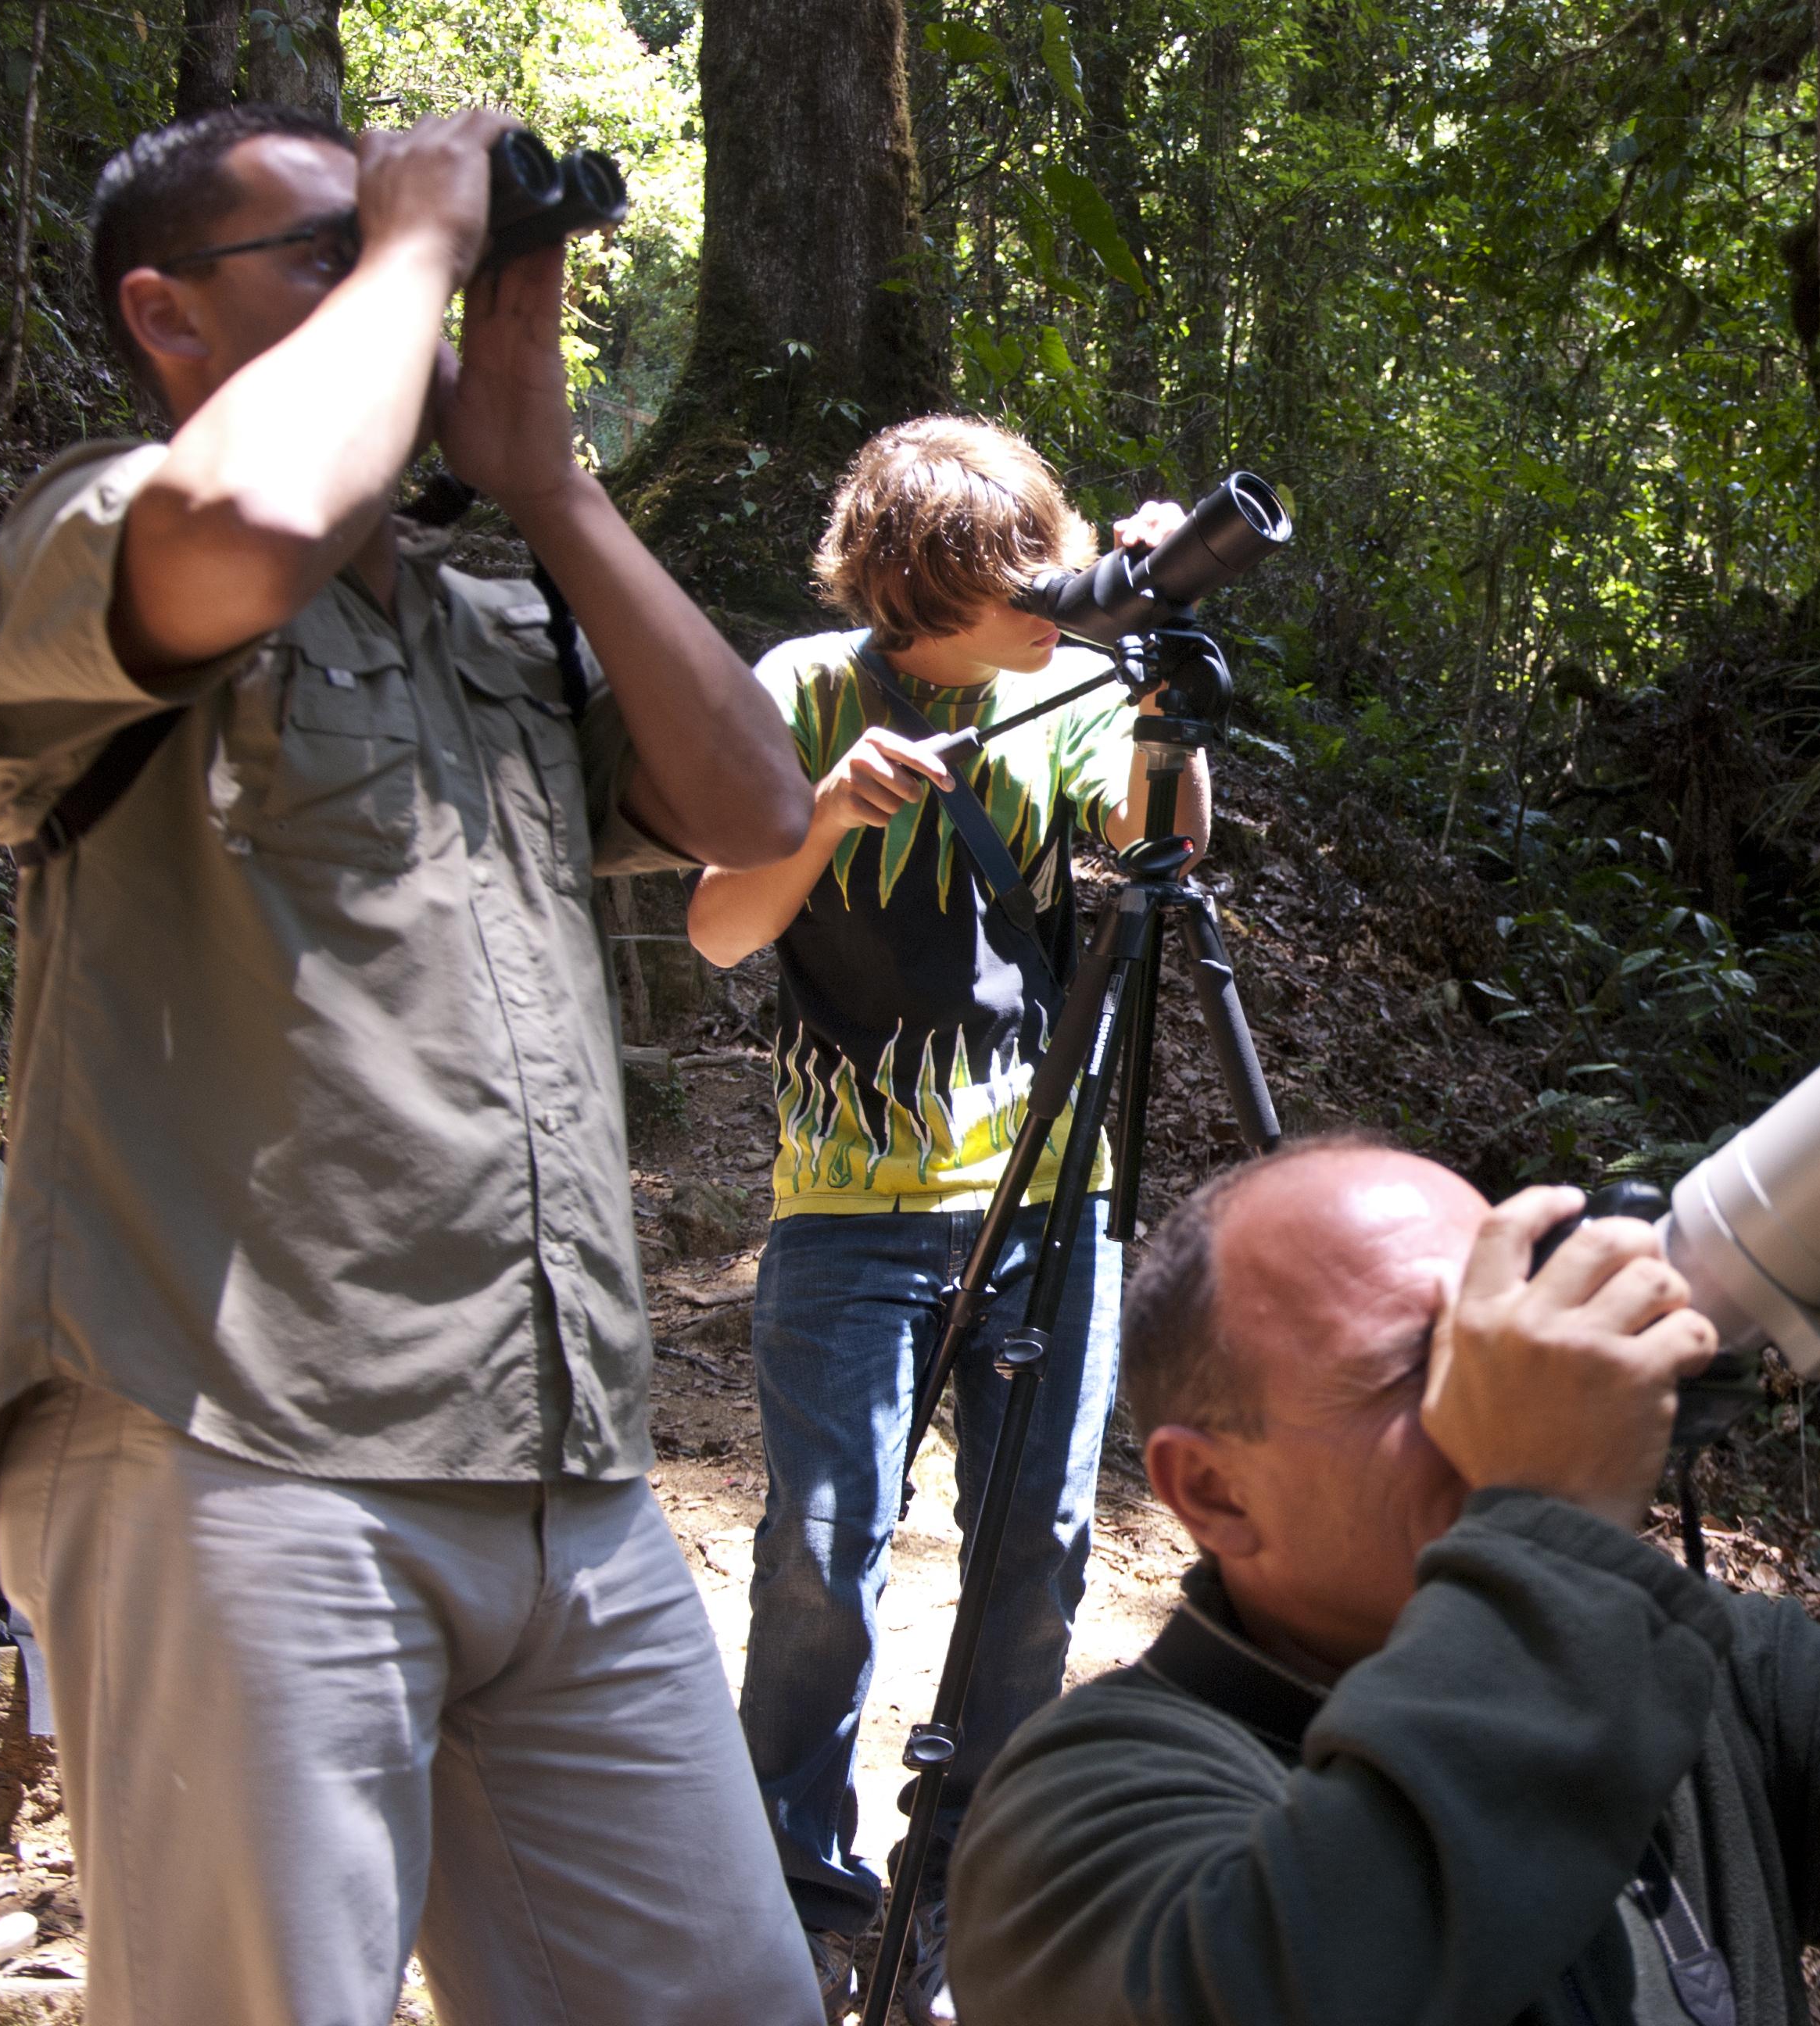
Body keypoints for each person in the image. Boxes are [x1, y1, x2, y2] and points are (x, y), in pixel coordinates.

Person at [0, 103, 825, 2024]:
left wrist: (555, 489)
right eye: (326, 244)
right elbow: (260, 529)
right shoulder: (89, 531)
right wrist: (426, 238)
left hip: (558, 1455)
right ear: (164, 314)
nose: (404, 280)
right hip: (241, 1447)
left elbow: (756, 807)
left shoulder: (501, 630)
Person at [944, 1077, 1820, 2024]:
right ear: (1212, 1492)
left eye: (1517, 1331)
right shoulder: (1077, 1812)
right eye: (1427, 1366)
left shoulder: (1696, 1679)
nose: (1520, 1386)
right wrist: (1551, 1529)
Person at [685, 415, 1212, 2021]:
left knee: (1035, 1557)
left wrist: (1166, 681)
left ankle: (962, 1879)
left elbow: (1166, 858)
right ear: (924, 585)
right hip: (849, 1210)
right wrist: (825, 815)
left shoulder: (1075, 680)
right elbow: (718, 930)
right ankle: (797, 1882)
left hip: (1052, 1196)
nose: (1052, 593)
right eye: (1020, 575)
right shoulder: (798, 691)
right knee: (820, 1558)